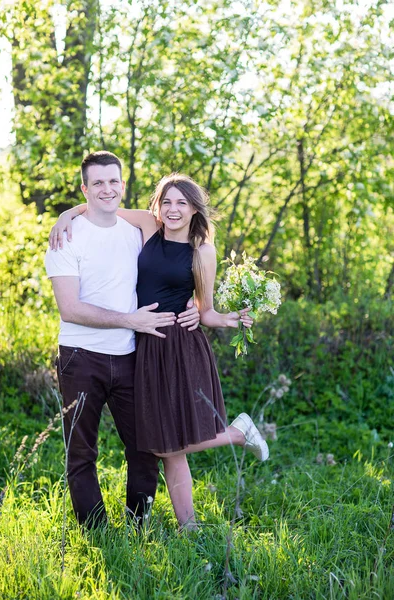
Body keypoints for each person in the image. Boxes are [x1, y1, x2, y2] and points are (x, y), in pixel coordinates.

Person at [51, 171, 269, 531]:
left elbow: (206, 310)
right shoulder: (149, 227)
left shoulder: (202, 251)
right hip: (142, 345)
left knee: (167, 443)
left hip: (178, 347)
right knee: (166, 442)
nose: (172, 209)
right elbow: (101, 206)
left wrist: (227, 320)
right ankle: (190, 525)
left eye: (182, 203)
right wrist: (65, 215)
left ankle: (235, 437)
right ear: (158, 205)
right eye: (166, 201)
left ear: (195, 210)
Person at [45, 151, 200, 528]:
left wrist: (195, 305)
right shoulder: (65, 237)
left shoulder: (139, 231)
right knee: (81, 453)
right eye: (97, 182)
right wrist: (129, 319)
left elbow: (175, 268)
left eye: (113, 181)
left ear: (123, 185)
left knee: (146, 447)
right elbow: (70, 309)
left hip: (133, 355)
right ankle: (96, 532)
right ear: (84, 189)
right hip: (80, 357)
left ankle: (138, 525)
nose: (106, 189)